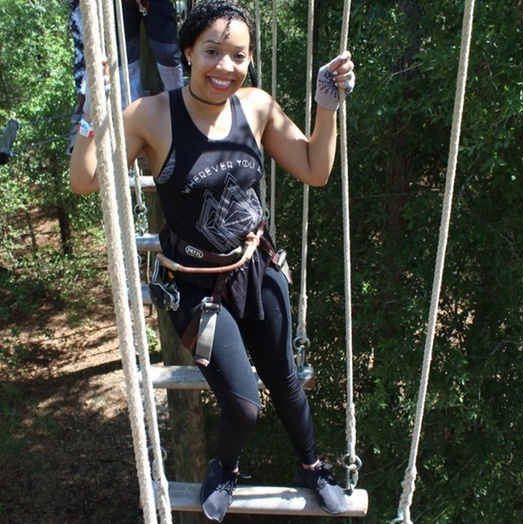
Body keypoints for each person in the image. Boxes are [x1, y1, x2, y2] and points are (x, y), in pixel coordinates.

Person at [69, 1, 355, 521]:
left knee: (285, 380)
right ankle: (225, 466)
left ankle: (312, 466)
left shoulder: (257, 107)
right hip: (196, 286)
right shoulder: (152, 115)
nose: (225, 66)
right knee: (244, 405)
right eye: (213, 52)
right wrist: (93, 109)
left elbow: (315, 168)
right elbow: (84, 181)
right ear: (187, 52)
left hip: (256, 268)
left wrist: (326, 105)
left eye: (238, 56)